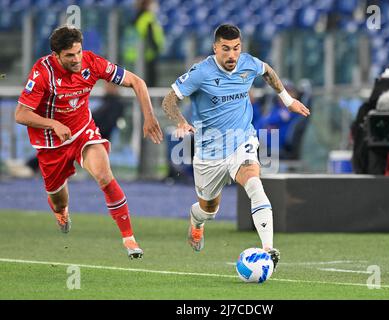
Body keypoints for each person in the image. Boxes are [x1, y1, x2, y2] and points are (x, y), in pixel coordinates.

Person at [161, 24, 310, 270]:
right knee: (209, 210)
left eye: (236, 48)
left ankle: (268, 250)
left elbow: (268, 71)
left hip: (242, 141)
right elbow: (169, 100)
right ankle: (197, 221)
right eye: (226, 49)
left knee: (254, 182)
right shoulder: (200, 72)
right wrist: (181, 121)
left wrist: (288, 100)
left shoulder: (247, 63)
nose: (232, 55)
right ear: (215, 48)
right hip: (209, 152)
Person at [15, 25, 163, 259]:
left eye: (79, 52)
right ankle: (62, 211)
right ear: (56, 56)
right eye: (70, 55)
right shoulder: (42, 73)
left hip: (83, 132)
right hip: (51, 144)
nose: (76, 59)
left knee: (104, 175)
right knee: (58, 200)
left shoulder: (92, 63)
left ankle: (129, 239)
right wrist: (53, 124)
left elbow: (138, 82)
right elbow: (21, 114)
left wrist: (149, 116)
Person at [25, 81, 127, 174]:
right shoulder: (107, 102)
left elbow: (106, 126)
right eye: (107, 85)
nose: (107, 87)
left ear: (116, 88)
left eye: (110, 85)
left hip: (92, 137)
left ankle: (31, 166)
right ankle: (34, 166)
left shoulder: (116, 104)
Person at [123, 0, 165, 87]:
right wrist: (157, 48)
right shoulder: (147, 19)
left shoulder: (134, 18)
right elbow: (151, 39)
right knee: (147, 87)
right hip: (146, 59)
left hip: (131, 58)